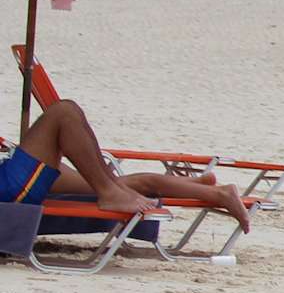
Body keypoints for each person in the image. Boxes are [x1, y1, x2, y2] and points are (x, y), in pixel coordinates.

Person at [3, 97, 251, 232]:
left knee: (123, 184)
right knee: (64, 113)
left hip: (7, 172)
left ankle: (215, 192)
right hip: (7, 188)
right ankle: (110, 193)